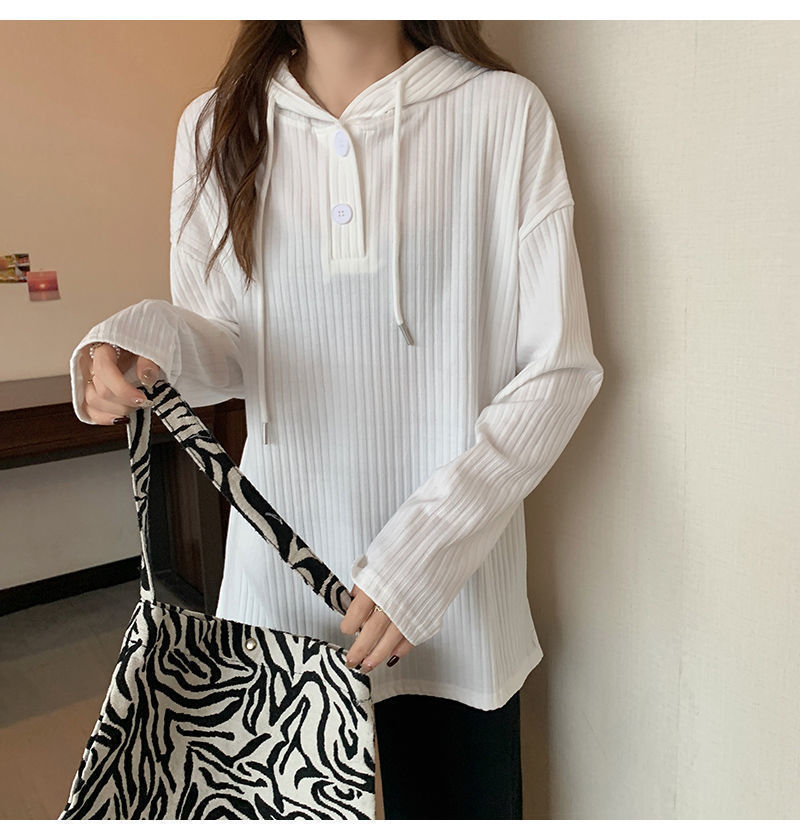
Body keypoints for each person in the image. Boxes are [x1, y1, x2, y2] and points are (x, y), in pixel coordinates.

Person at [70, 21, 603, 819]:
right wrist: (140, 345)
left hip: (455, 593)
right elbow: (228, 350)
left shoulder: (503, 112)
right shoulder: (214, 126)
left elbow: (560, 369)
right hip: (279, 598)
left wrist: (425, 555)